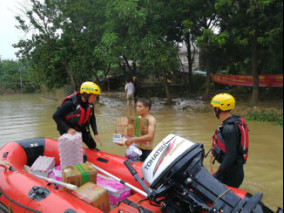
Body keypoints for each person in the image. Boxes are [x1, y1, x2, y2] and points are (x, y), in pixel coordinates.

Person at [210, 93, 249, 188]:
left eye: (214, 108)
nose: (213, 110)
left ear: (218, 109)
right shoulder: (235, 121)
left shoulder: (229, 129)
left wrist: (216, 175)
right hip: (232, 171)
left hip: (232, 175)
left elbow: (231, 156)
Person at [53, 81, 102, 150]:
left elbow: (92, 118)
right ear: (85, 94)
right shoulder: (70, 103)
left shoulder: (90, 105)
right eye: (93, 96)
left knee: (92, 145)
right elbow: (55, 116)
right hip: (67, 128)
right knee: (73, 149)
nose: (95, 99)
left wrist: (95, 134)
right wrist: (68, 129)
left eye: (96, 97)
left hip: (81, 126)